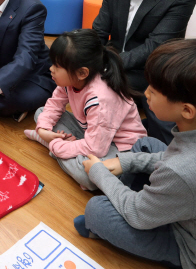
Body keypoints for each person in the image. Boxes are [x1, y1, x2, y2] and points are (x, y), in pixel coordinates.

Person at [74, 39, 196, 269]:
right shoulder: (188, 137)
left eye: (154, 90)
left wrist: (101, 174)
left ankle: (113, 216)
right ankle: (138, 198)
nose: (146, 93)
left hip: (185, 240)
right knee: (146, 144)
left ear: (187, 110)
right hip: (181, 196)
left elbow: (138, 212)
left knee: (97, 210)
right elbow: (171, 157)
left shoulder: (180, 169)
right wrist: (126, 161)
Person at [92, 0, 196, 145]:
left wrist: (106, 65)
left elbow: (154, 46)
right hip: (114, 59)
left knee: (164, 126)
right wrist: (87, 56)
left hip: (150, 70)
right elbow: (100, 30)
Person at [24, 29, 146, 190]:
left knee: (88, 177)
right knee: (41, 113)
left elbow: (97, 148)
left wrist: (56, 146)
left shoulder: (101, 98)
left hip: (120, 149)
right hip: (93, 134)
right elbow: (54, 104)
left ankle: (51, 145)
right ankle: (54, 142)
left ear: (82, 73)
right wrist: (43, 129)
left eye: (57, 66)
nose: (51, 69)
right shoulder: (70, 81)